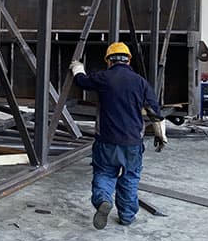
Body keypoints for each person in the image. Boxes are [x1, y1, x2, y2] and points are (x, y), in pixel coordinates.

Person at [69, 42, 167, 229]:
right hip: (132, 142)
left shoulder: (103, 78)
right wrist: (160, 135)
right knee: (130, 178)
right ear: (128, 60)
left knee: (104, 173)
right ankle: (127, 216)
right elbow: (155, 111)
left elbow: (82, 82)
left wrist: (77, 68)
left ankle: (103, 200)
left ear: (109, 61)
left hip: (106, 140)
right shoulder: (140, 82)